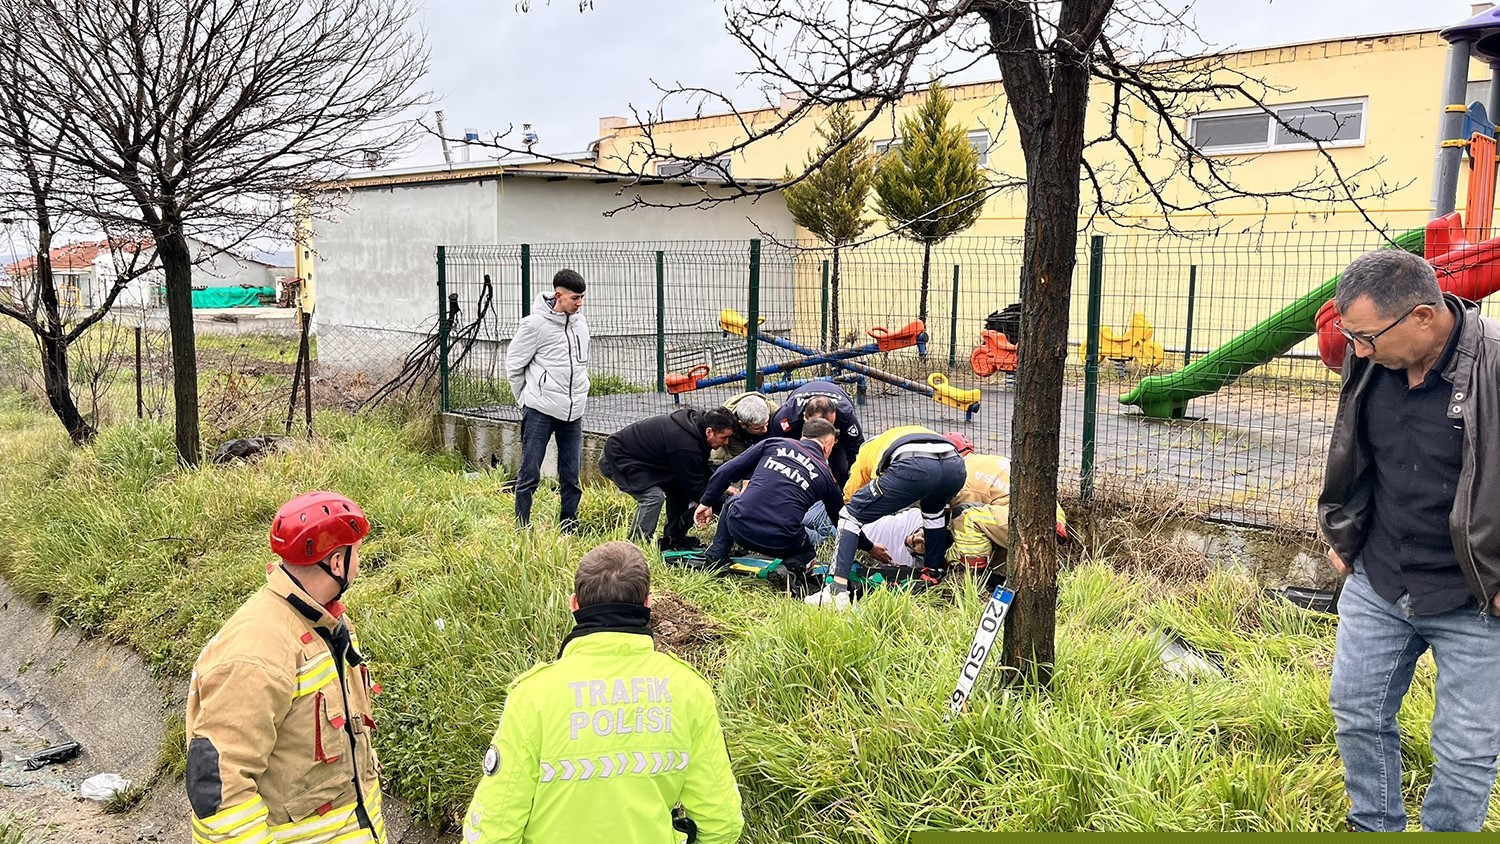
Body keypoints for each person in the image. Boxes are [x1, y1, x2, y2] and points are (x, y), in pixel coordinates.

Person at [1318, 249, 1500, 832]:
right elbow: (1358, 452)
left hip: (1475, 595)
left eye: (1367, 337)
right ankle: (1375, 823)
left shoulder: (1494, 366)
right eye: (1353, 337)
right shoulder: (1370, 357)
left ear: (1423, 316)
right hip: (1381, 576)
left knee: (1466, 750)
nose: (1358, 351)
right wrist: (1345, 529)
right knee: (1357, 711)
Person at [462, 541, 744, 843]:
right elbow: (722, 822)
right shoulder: (688, 689)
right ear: (647, 605)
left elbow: (493, 828)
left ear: (574, 605)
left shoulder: (534, 696)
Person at [186, 492, 387, 844]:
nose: (361, 562)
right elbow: (218, 790)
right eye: (358, 551)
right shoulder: (257, 651)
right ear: (337, 563)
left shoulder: (323, 621)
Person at [806, 425, 967, 610]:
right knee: (934, 514)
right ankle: (932, 575)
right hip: (954, 465)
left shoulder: (866, 452)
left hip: (914, 464)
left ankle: (836, 591)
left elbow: (850, 497)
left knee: (848, 515)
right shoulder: (899, 434)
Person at [693, 417, 844, 587]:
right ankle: (788, 569)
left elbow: (725, 472)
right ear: (826, 446)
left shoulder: (774, 443)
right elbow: (842, 519)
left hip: (740, 528)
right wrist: (869, 547)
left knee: (733, 501)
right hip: (781, 541)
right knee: (807, 554)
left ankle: (716, 556)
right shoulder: (827, 475)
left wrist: (706, 502)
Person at [506, 269, 590, 531]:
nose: (579, 303)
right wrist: (526, 399)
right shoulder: (534, 325)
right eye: (575, 297)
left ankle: (569, 523)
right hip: (539, 411)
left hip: (573, 413)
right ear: (558, 295)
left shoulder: (580, 323)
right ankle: (522, 525)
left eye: (582, 297)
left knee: (571, 474)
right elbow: (514, 365)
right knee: (530, 471)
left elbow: (580, 364)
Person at [599, 407, 737, 551]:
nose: (727, 442)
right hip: (618, 457)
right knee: (653, 497)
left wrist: (723, 486)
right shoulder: (686, 444)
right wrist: (719, 501)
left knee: (678, 490)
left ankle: (673, 540)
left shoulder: (698, 427)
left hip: (648, 461)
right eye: (723, 437)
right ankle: (634, 549)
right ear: (709, 432)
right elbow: (694, 487)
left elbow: (698, 469)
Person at [766, 382, 864, 486]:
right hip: (798, 432)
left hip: (836, 435)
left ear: (835, 414)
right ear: (805, 417)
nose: (823, 432)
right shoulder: (786, 418)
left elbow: (856, 449)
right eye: (818, 426)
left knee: (841, 471)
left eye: (828, 425)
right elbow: (772, 447)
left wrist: (855, 481)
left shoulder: (846, 415)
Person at [710, 391, 777, 466]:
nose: (765, 429)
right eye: (758, 428)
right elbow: (739, 457)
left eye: (766, 424)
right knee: (720, 455)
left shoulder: (775, 413)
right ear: (742, 424)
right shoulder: (728, 426)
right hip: (736, 434)